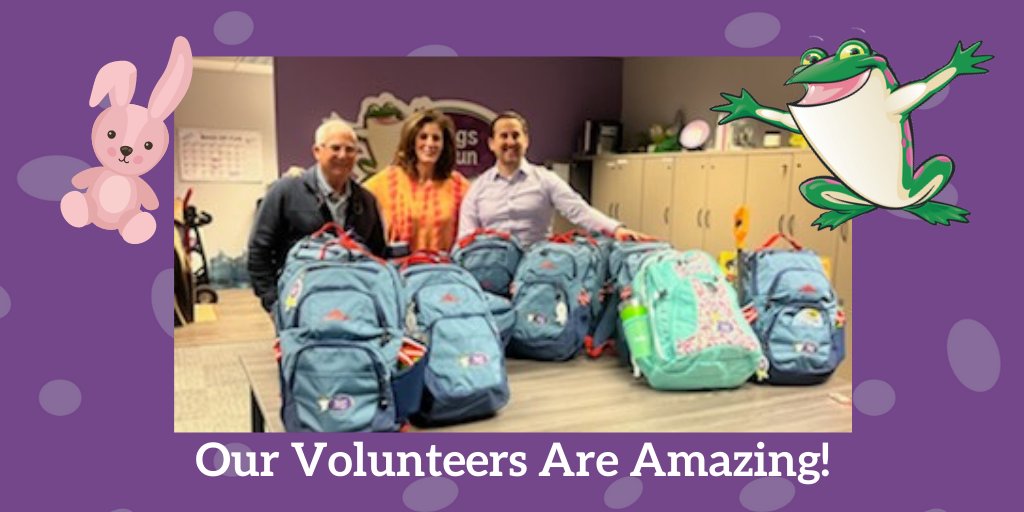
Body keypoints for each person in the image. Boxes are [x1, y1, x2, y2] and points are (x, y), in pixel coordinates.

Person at [247, 118, 386, 312]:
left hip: (354, 308)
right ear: (317, 151)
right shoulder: (286, 192)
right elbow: (258, 250)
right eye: (335, 148)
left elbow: (377, 253)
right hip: (299, 307)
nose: (343, 155)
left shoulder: (366, 201)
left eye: (350, 149)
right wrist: (273, 302)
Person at [458, 111, 647, 247]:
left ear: (526, 141)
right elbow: (466, 238)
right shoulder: (477, 188)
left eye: (516, 135)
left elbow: (579, 210)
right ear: (492, 143)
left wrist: (616, 230)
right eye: (503, 136)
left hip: (537, 269)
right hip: (493, 270)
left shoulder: (545, 179)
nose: (510, 142)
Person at [364, 109, 470, 253]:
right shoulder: (385, 182)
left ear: (445, 145)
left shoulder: (460, 186)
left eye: (436, 138)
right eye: (423, 137)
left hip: (444, 271)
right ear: (411, 141)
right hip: (397, 270)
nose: (430, 143)